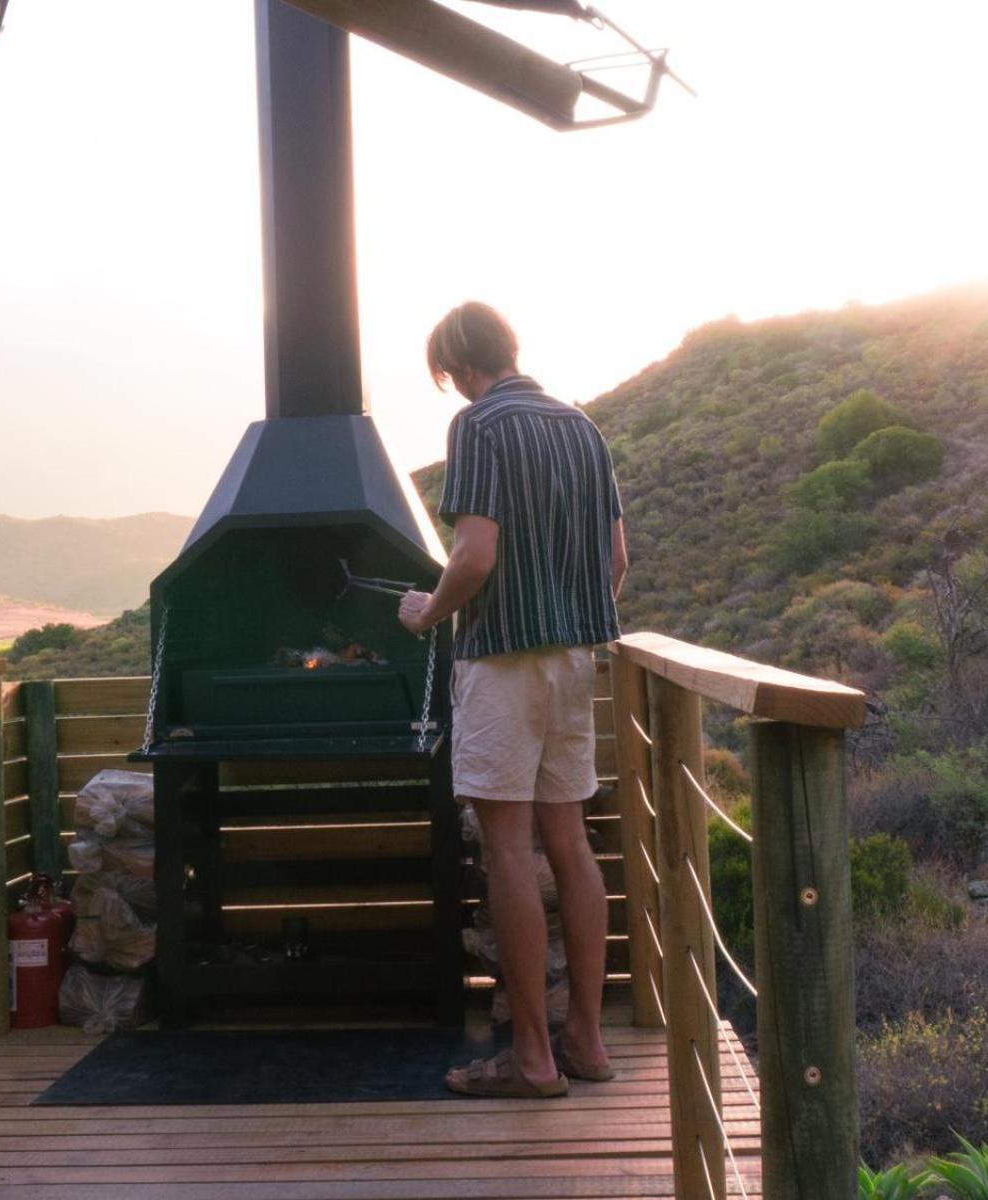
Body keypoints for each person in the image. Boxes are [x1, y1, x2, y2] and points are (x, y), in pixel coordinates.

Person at [398, 301, 628, 1098]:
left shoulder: (481, 427)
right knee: (570, 841)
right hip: (572, 658)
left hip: (501, 662)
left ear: (461, 364)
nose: (453, 392)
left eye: (448, 376)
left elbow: (474, 554)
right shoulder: (581, 428)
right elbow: (616, 561)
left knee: (507, 851)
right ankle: (588, 1045)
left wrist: (427, 610)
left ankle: (531, 1061)